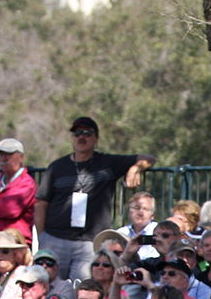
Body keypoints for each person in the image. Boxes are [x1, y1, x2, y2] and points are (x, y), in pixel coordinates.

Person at [34, 116, 155, 280]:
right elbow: (41, 203)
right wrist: (42, 236)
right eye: (77, 133)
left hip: (89, 242)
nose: (81, 137)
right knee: (49, 285)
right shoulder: (57, 167)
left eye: (86, 133)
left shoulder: (108, 163)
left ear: (96, 138)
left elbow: (149, 158)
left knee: (85, 288)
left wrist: (135, 169)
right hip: (56, 238)